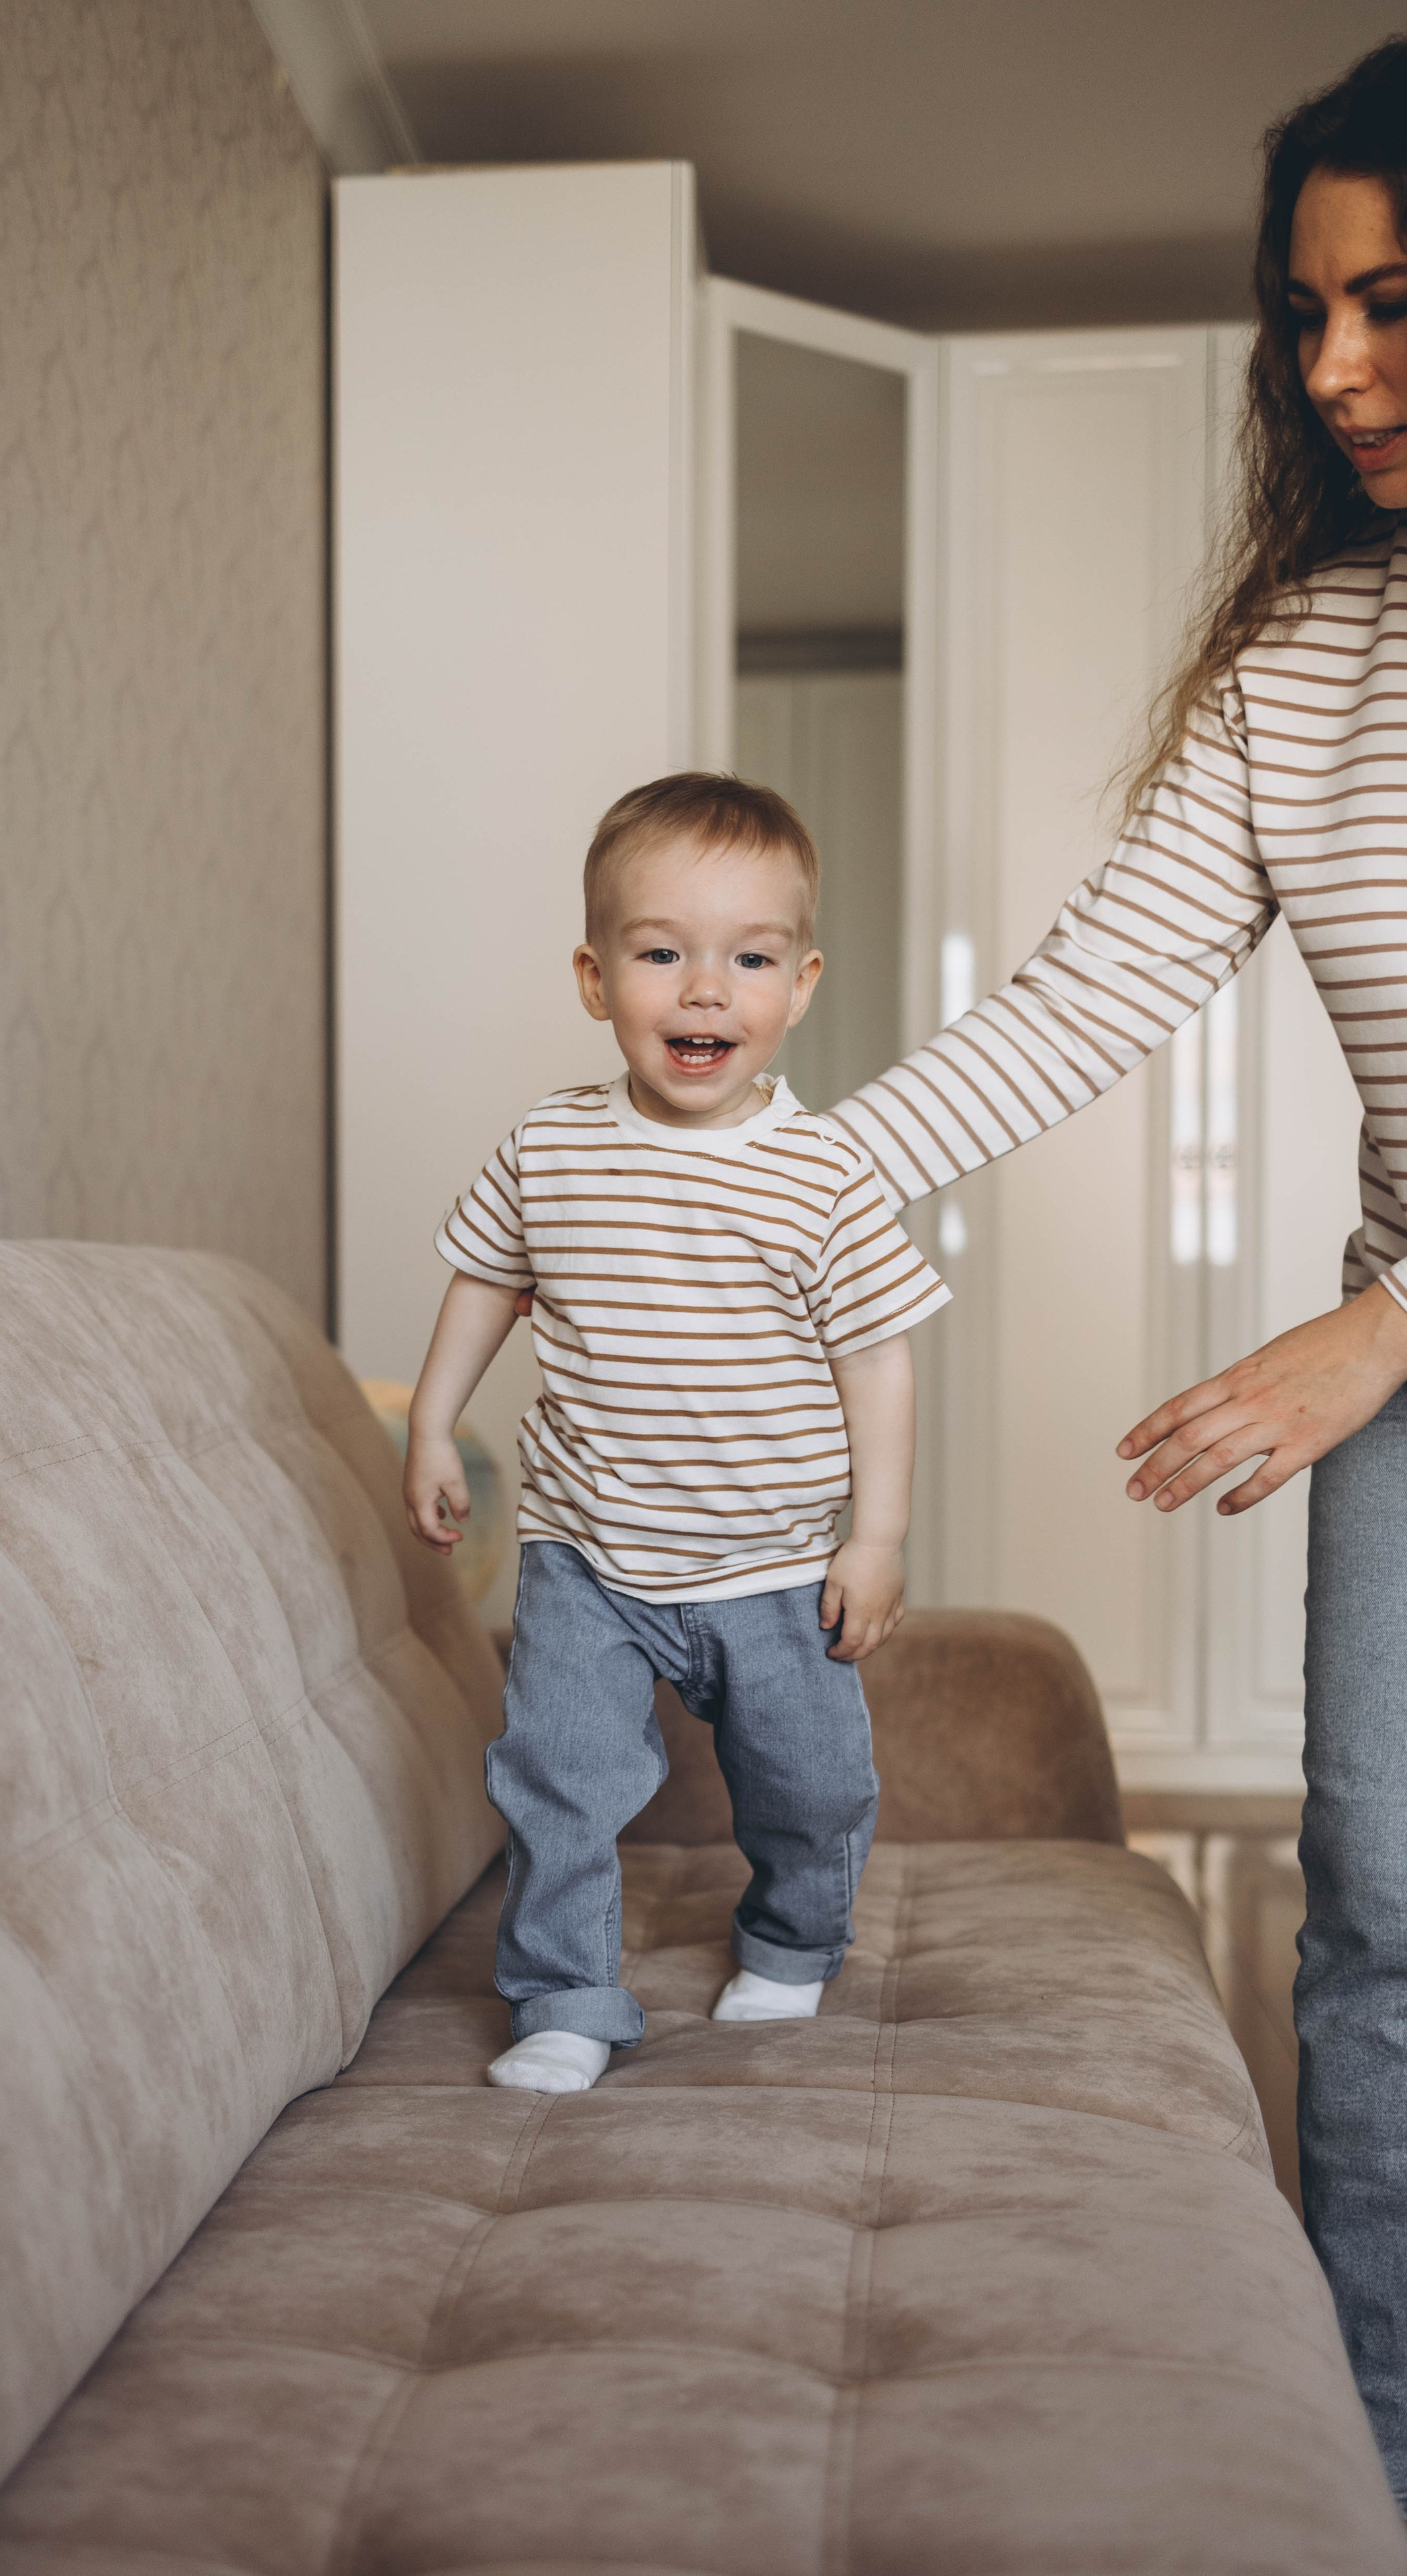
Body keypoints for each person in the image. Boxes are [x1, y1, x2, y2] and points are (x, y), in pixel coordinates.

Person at [820, 34, 1407, 2500]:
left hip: (1389, 1347)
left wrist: (1380, 1326)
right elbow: (1071, 1002)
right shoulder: (1311, 672)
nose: (1338, 365)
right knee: (1377, 1945)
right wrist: (776, 1199)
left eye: (1393, 300)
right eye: (1309, 316)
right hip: (1397, 1373)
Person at [403, 774, 948, 2095]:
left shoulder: (823, 1173)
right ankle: (566, 1997)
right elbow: (486, 1280)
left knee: (810, 1788)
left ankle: (792, 1934)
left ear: (799, 983)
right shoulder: (548, 1147)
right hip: (585, 1558)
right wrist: (430, 1422)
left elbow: (876, 1355)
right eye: (661, 954)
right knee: (558, 1782)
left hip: (767, 1563)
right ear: (596, 979)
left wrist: (872, 1537)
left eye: (747, 959)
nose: (705, 991)